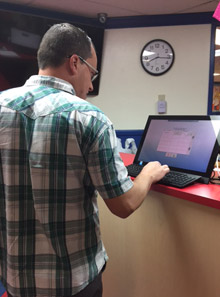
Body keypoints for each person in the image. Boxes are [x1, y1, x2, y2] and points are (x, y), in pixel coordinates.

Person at [0, 23, 169, 297]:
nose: (91, 85)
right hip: (73, 282)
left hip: (14, 280)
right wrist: (148, 174)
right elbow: (123, 204)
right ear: (74, 63)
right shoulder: (89, 118)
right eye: (92, 73)